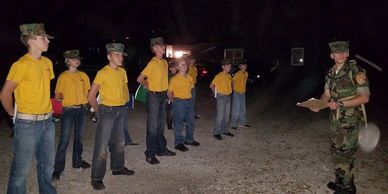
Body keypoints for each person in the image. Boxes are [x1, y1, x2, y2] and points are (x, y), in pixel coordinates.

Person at [0, 23, 57, 194]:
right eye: (43, 38)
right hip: (27, 123)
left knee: (47, 164)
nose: (47, 41)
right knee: (21, 169)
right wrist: (13, 115)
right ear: (31, 41)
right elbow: (4, 94)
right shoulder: (20, 65)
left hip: (48, 120)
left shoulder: (47, 62)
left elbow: (43, 89)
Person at [310, 41, 370, 194]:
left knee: (346, 154)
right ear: (332, 55)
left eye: (344, 51)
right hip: (336, 120)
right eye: (337, 52)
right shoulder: (331, 73)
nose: (341, 54)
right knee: (337, 151)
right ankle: (341, 182)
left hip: (352, 121)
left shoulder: (356, 71)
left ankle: (347, 189)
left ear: (348, 53)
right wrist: (319, 104)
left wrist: (340, 104)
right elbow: (327, 94)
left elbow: (364, 97)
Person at [88, 43, 135, 190]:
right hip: (106, 111)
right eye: (117, 55)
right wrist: (98, 111)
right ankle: (96, 177)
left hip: (121, 110)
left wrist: (125, 102)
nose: (120, 57)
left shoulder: (122, 72)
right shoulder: (103, 73)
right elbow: (90, 96)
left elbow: (125, 88)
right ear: (109, 57)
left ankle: (118, 167)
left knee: (119, 142)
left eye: (121, 55)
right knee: (102, 146)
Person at [52, 50, 91, 181]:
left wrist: (93, 107)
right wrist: (61, 96)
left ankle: (77, 162)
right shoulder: (63, 76)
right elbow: (57, 95)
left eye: (78, 59)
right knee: (64, 140)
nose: (77, 60)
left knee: (79, 138)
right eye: (74, 59)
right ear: (67, 61)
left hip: (82, 109)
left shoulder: (84, 76)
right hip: (68, 110)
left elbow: (89, 93)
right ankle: (57, 169)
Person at [137, 37, 176, 165]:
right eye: (160, 46)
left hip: (162, 95)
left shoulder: (164, 62)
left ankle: (161, 149)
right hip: (153, 96)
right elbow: (140, 79)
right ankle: (150, 154)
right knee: (152, 126)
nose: (163, 47)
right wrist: (148, 86)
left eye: (163, 45)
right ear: (154, 48)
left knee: (160, 124)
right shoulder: (152, 63)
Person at [167, 57, 200, 152]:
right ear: (177, 67)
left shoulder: (189, 77)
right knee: (179, 123)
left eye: (185, 64)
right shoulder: (174, 79)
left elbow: (192, 90)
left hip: (189, 101)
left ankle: (189, 140)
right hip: (179, 102)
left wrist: (192, 101)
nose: (184, 66)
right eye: (181, 64)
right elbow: (169, 92)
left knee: (191, 121)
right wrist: (174, 101)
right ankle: (178, 143)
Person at [209, 59, 234, 140]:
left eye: (230, 66)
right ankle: (216, 132)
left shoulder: (229, 75)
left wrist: (231, 89)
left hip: (228, 97)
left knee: (226, 116)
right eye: (227, 66)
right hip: (221, 97)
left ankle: (224, 131)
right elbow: (211, 86)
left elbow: (231, 83)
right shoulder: (218, 76)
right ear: (223, 66)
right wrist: (216, 95)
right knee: (220, 116)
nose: (229, 67)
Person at [231, 60, 251, 130]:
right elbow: (232, 81)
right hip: (237, 93)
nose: (245, 66)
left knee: (243, 109)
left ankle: (243, 123)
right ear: (240, 66)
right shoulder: (238, 73)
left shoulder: (246, 73)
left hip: (243, 93)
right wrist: (233, 89)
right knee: (236, 110)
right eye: (243, 65)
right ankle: (233, 124)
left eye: (245, 65)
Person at [166, 60, 178, 130]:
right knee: (170, 111)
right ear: (170, 68)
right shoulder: (168, 76)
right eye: (173, 67)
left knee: (174, 110)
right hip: (169, 95)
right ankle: (169, 125)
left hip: (176, 95)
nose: (175, 69)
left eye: (176, 67)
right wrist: (168, 97)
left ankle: (172, 123)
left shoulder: (177, 75)